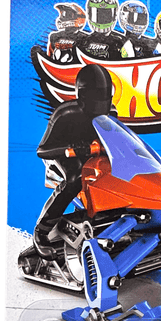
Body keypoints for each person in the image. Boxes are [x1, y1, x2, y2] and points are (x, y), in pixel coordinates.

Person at [33, 64, 113, 259]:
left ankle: (103, 220)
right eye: (97, 96)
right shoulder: (65, 114)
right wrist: (71, 149)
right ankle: (42, 231)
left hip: (94, 154)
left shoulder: (111, 113)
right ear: (82, 95)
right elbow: (42, 150)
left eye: (104, 96)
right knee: (76, 177)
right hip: (64, 156)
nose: (101, 103)